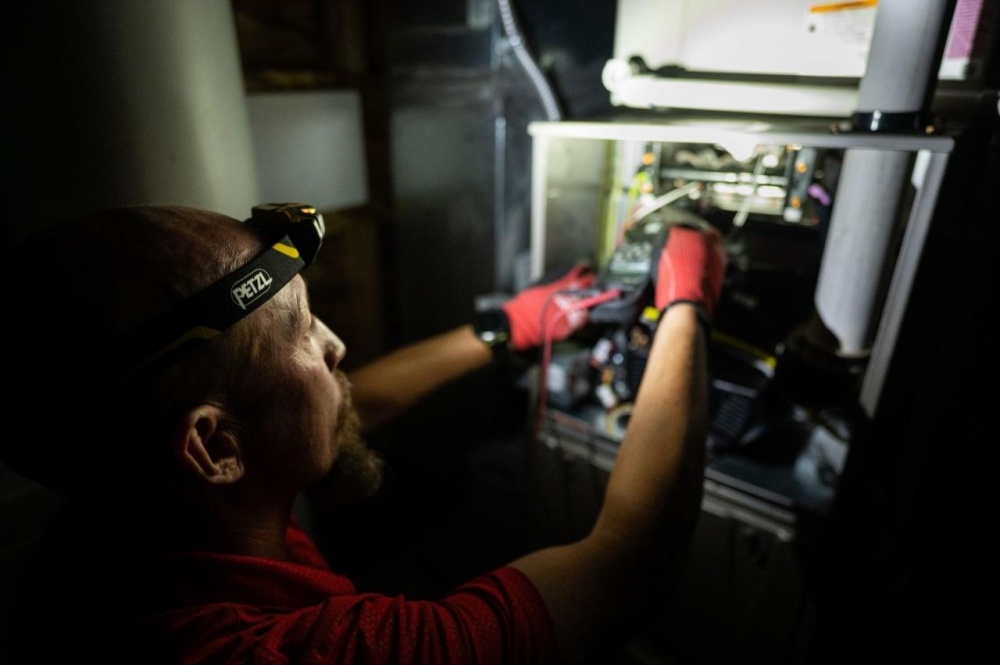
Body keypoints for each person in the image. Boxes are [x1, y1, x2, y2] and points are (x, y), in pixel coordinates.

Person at [2, 202, 726, 664]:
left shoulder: (127, 527)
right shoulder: (288, 652)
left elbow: (353, 401)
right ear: (215, 447)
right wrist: (686, 305)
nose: (337, 344)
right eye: (301, 330)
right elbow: (632, 564)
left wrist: (509, 325)